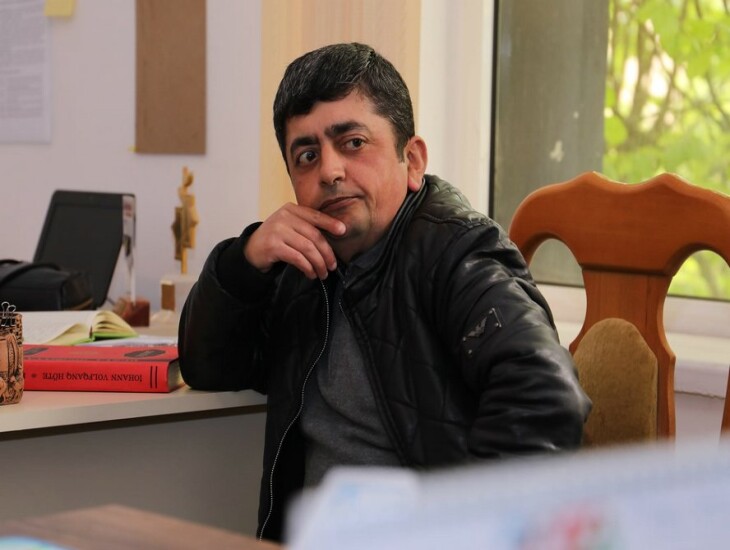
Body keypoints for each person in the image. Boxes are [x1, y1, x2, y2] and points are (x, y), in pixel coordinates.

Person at [178, 42, 591, 542]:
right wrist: (244, 262)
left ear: (412, 160)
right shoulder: (302, 266)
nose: (330, 171)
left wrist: (461, 534)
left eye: (352, 143)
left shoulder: (458, 254)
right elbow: (208, 367)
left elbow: (547, 400)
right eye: (307, 156)